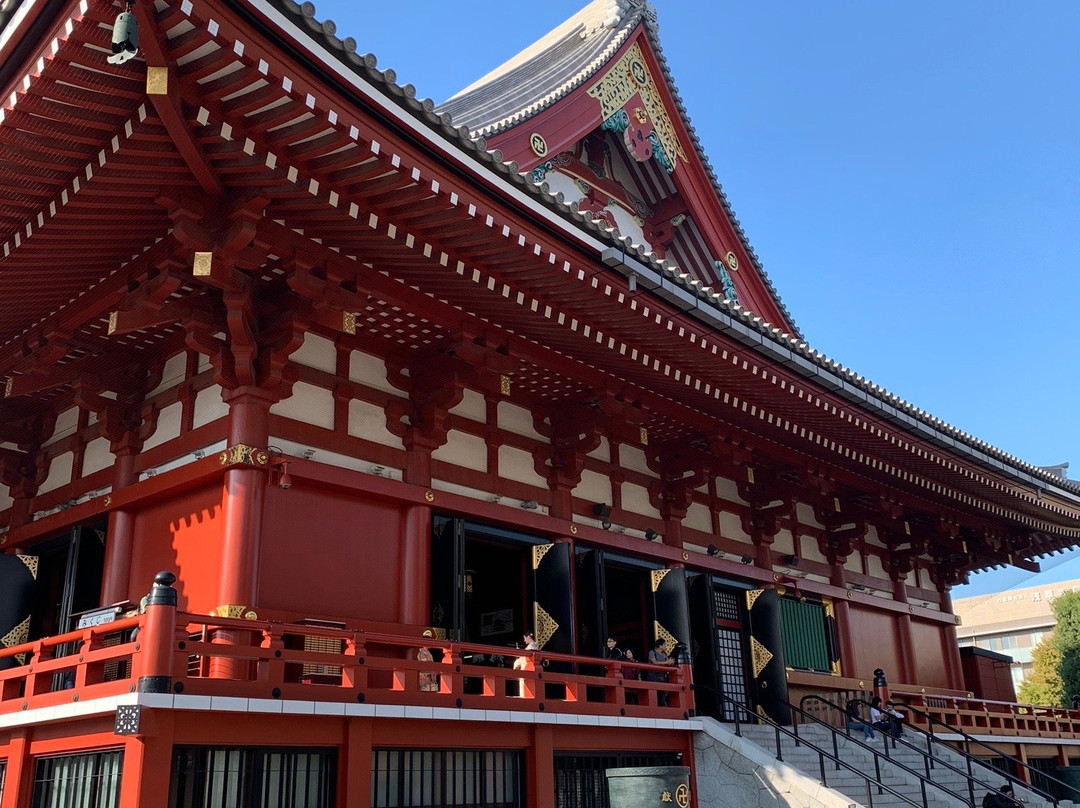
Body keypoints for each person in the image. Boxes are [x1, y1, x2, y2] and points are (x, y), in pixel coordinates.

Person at [646, 639, 676, 706]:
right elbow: (655, 662)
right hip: (653, 678)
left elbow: (667, 663)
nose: (665, 646)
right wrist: (666, 662)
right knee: (654, 697)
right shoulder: (652, 652)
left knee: (662, 697)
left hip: (662, 678)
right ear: (660, 645)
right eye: (664, 644)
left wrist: (670, 662)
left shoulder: (664, 654)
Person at [512, 632, 537, 696]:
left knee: (525, 689)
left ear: (528, 637)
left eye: (525, 638)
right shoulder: (532, 645)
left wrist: (517, 661)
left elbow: (526, 659)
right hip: (529, 669)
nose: (524, 640)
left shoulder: (531, 646)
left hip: (527, 668)